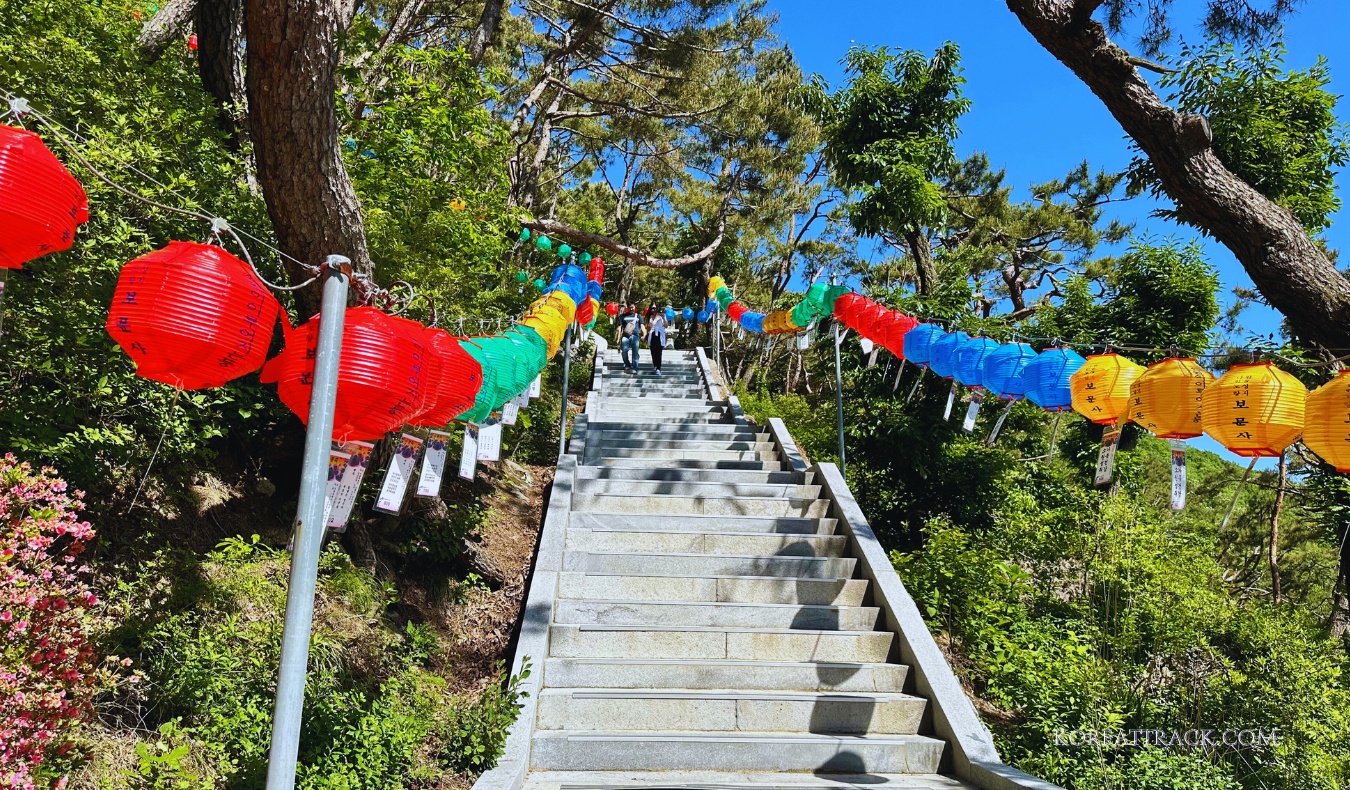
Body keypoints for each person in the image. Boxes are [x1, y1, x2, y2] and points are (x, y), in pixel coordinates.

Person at [617, 303, 643, 372]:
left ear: (635, 307)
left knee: (635, 351)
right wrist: (618, 338)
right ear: (627, 308)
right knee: (624, 350)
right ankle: (627, 364)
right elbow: (619, 328)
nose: (631, 309)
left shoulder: (638, 316)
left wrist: (644, 335)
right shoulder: (622, 316)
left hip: (635, 336)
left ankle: (635, 367)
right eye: (630, 307)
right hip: (625, 336)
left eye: (632, 307)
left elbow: (642, 326)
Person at [645, 303, 667, 375]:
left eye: (654, 308)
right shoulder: (650, 317)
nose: (653, 310)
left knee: (658, 351)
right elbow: (648, 326)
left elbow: (666, 325)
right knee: (653, 351)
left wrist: (663, 318)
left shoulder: (661, 316)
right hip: (652, 334)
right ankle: (655, 365)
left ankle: (658, 368)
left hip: (659, 334)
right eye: (651, 308)